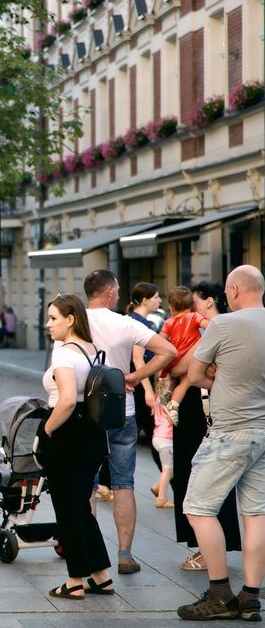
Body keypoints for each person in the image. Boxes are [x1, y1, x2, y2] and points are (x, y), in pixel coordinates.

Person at [177, 265, 265, 621]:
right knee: (256, 514)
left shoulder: (223, 325)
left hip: (229, 431)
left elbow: (195, 374)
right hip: (262, 431)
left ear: (233, 290)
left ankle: (219, 592)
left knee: (198, 508)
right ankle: (250, 596)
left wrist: (220, 380)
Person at [84, 269, 176, 574]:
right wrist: (135, 377)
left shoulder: (75, 321)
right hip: (121, 411)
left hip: (86, 413)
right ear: (110, 292)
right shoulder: (125, 323)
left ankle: (91, 555)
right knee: (124, 484)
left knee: (87, 485)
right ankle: (125, 554)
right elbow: (168, 351)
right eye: (118, 290)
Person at [37, 293, 114, 600]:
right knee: (81, 505)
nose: (49, 324)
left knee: (68, 508)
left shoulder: (64, 354)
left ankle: (74, 581)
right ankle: (101, 575)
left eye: (54, 318)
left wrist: (46, 429)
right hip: (92, 433)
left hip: (67, 433)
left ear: (70, 320)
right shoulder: (90, 350)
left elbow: (67, 399)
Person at [172, 282, 241, 573]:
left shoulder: (214, 328)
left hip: (202, 409)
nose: (191, 310)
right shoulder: (207, 328)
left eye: (196, 303)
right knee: (195, 475)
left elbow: (179, 367)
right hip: (198, 407)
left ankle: (208, 551)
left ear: (210, 302)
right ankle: (207, 546)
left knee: (202, 476)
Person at [156, 286, 208, 425]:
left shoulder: (169, 322)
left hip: (176, 358)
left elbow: (160, 340)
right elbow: (208, 326)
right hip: (189, 359)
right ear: (192, 305)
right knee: (185, 382)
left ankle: (168, 392)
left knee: (175, 379)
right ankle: (174, 405)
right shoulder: (194, 316)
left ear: (172, 307)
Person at [126, 282, 161, 471]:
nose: (159, 301)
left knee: (148, 433)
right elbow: (138, 360)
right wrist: (148, 391)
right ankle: (168, 481)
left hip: (138, 384)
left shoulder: (136, 320)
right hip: (140, 386)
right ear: (146, 300)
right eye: (156, 297)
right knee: (156, 435)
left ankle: (165, 482)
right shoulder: (138, 323)